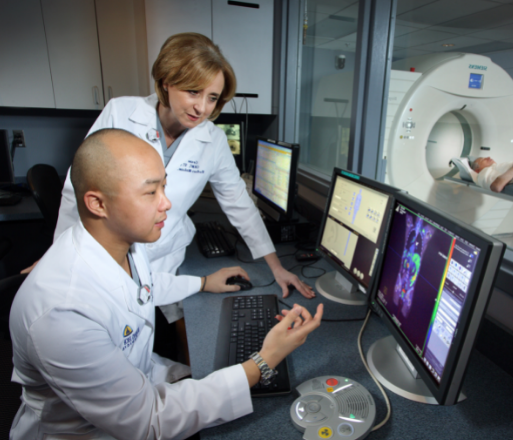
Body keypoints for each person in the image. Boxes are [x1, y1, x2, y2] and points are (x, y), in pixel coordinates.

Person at [9, 129, 324, 439]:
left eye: (165, 187)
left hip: (139, 379)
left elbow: (141, 286)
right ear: (98, 204)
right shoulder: (62, 312)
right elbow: (147, 422)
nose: (167, 204)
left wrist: (202, 282)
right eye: (150, 192)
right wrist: (264, 361)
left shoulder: (122, 244)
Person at [39, 32, 314, 329]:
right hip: (107, 250)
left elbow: (239, 204)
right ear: (167, 82)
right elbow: (77, 190)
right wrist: (59, 260)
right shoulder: (122, 113)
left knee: (144, 333)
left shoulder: (213, 139)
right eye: (193, 92)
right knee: (101, 329)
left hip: (162, 254)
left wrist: (276, 267)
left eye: (212, 98)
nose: (203, 109)